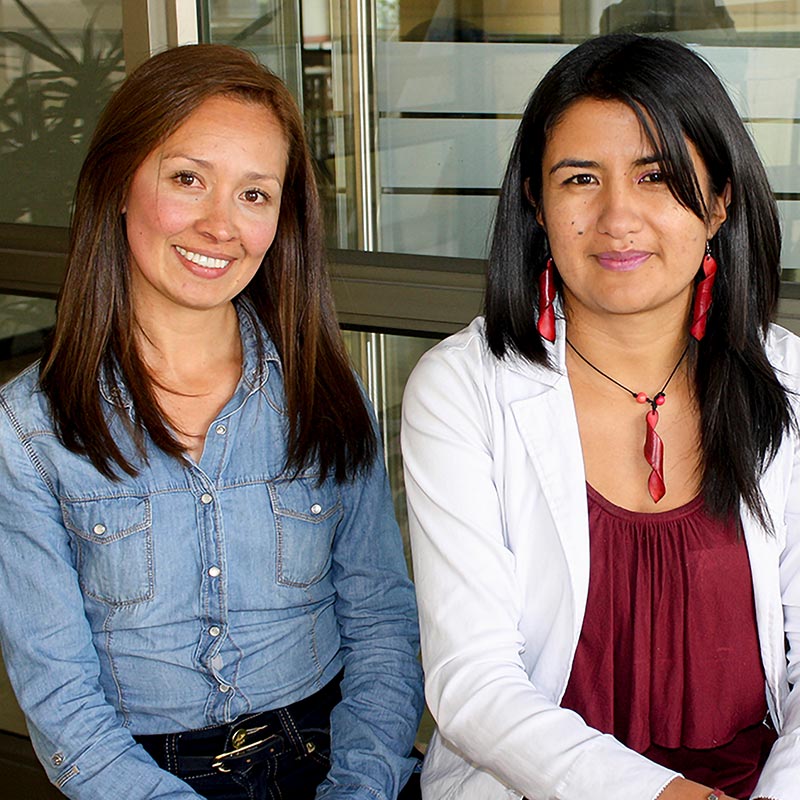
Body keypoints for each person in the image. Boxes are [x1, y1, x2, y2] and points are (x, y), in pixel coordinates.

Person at [0, 43, 423, 800]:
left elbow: (383, 624)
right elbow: (62, 703)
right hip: (141, 777)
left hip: (335, 761)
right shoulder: (29, 430)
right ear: (119, 184)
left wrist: (360, 786)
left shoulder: (327, 392)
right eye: (188, 179)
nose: (220, 225)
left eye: (255, 194)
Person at [401, 33, 800, 800]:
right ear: (537, 204)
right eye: (580, 178)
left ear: (719, 201)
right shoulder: (459, 390)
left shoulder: (787, 380)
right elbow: (474, 683)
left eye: (657, 177)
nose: (618, 217)